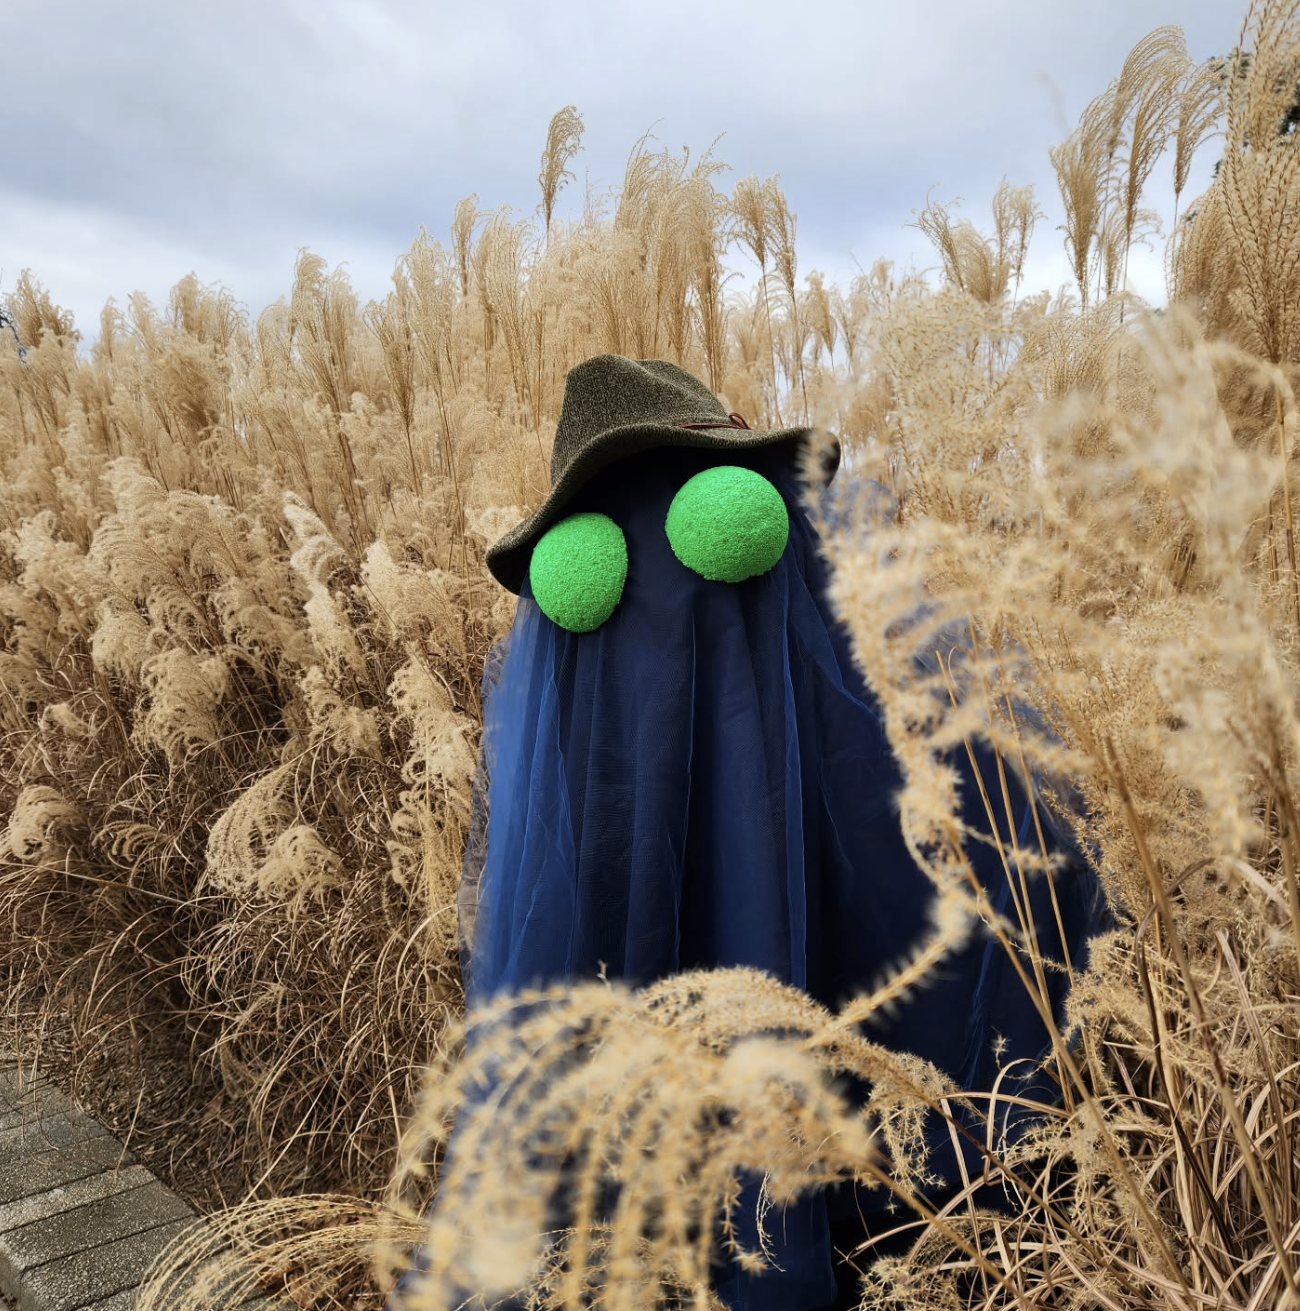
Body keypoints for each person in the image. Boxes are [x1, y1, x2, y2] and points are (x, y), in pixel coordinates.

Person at [393, 355, 1110, 1311]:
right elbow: (1035, 875)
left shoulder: (587, 646)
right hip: (893, 1154)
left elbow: (543, 938)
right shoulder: (835, 628)